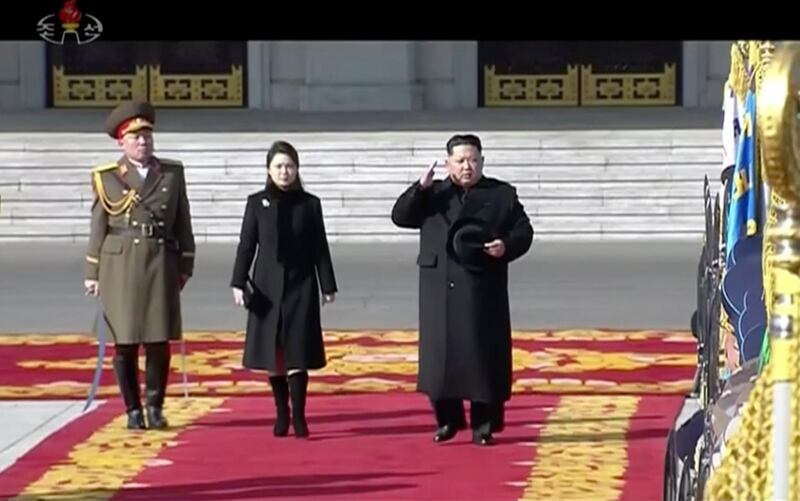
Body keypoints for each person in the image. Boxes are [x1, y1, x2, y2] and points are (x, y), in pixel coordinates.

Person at [391, 133, 533, 446]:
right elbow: (400, 217)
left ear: (482, 161)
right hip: (439, 286)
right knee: (441, 358)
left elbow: (524, 231)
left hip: (482, 284)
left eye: (472, 160)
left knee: (483, 355)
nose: (466, 166)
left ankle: (484, 425)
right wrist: (419, 188)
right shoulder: (433, 193)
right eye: (460, 161)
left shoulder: (500, 194)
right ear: (448, 163)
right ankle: (447, 421)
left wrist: (505, 245)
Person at [83, 101, 195, 430]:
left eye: (147, 135)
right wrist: (92, 273)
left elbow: (183, 221)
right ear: (122, 142)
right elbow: (98, 227)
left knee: (159, 340)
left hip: (159, 260)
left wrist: (186, 262)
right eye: (135, 137)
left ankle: (155, 405)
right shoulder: (107, 178)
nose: (143, 142)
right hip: (119, 265)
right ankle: (132, 408)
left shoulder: (171, 174)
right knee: (126, 342)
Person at [230, 140, 338, 439]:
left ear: (297, 169)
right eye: (279, 166)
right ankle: (281, 414)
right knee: (273, 353)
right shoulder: (256, 203)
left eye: (289, 166)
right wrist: (238, 281)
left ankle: (300, 417)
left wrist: (327, 284)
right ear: (268, 170)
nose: (284, 171)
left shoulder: (310, 204)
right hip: (265, 287)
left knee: (297, 351)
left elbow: (320, 247)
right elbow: (247, 245)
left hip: (301, 286)